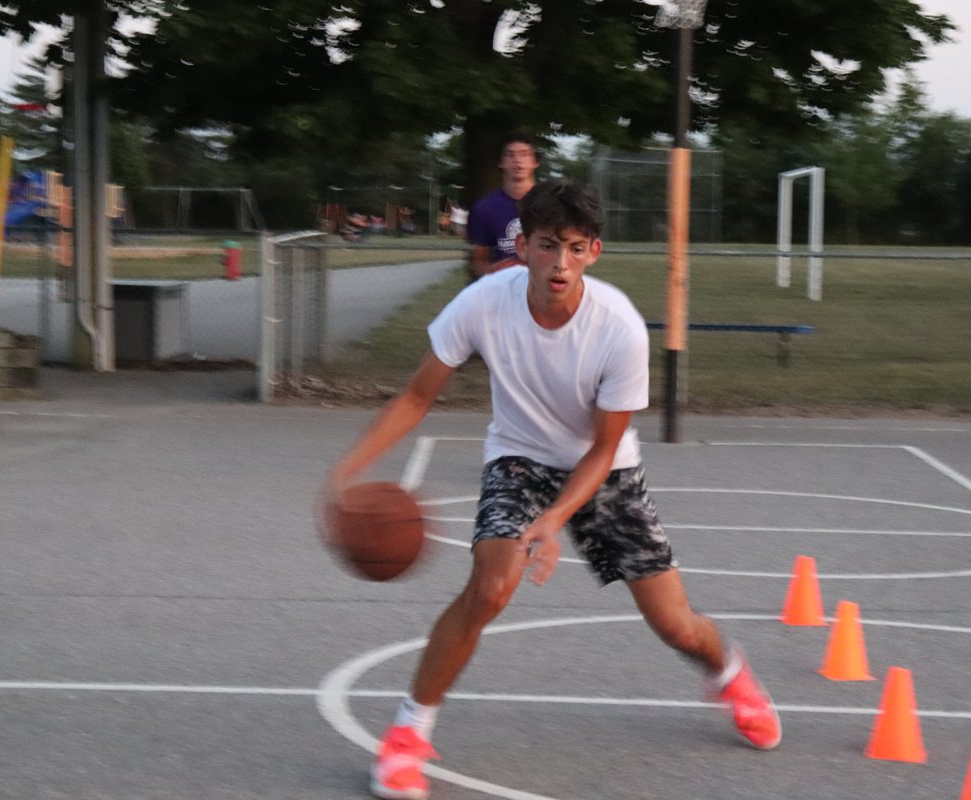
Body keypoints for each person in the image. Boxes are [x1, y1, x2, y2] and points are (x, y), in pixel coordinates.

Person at [326, 179, 781, 800]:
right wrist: (346, 470)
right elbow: (415, 395)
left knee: (676, 624)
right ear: (523, 247)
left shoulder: (618, 328)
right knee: (489, 588)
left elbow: (603, 448)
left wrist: (556, 517)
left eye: (574, 247)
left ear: (593, 251)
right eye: (547, 245)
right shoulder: (483, 302)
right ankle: (408, 735)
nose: (560, 263)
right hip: (519, 459)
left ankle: (729, 673)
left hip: (604, 470)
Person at [465, 131, 539, 279]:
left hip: (542, 287)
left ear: (535, 162)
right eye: (510, 155)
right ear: (501, 162)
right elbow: (478, 261)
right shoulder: (484, 208)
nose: (517, 160)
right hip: (502, 287)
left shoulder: (552, 204)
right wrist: (496, 272)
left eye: (524, 154)